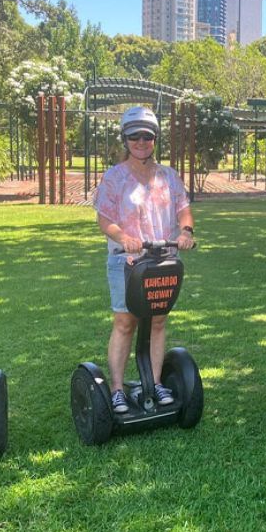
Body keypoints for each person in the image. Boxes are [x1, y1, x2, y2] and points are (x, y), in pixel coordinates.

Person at [94, 106, 195, 414]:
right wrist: (123, 238)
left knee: (158, 320)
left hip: (162, 259)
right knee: (126, 322)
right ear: (125, 139)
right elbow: (104, 219)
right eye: (134, 136)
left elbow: (182, 208)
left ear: (154, 139)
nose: (141, 142)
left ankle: (154, 382)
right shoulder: (114, 177)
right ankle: (116, 388)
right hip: (125, 260)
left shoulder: (169, 176)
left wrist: (187, 231)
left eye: (147, 136)